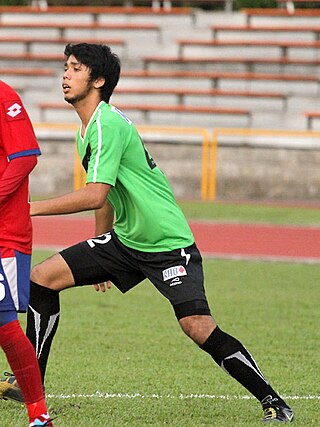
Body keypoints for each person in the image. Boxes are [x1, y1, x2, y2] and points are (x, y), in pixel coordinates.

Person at [1, 43, 293, 424]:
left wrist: (28, 208)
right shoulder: (88, 129)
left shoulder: (107, 123)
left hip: (168, 244)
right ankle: (32, 383)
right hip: (125, 241)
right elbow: (106, 196)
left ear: (99, 80)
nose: (65, 75)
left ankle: (273, 401)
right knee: (43, 278)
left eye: (75, 68)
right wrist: (98, 244)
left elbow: (95, 193)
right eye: (65, 67)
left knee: (197, 326)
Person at [0, 81, 54, 427]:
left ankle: (39, 415)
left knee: (4, 325)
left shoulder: (4, 96)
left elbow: (24, 157)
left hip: (4, 235)